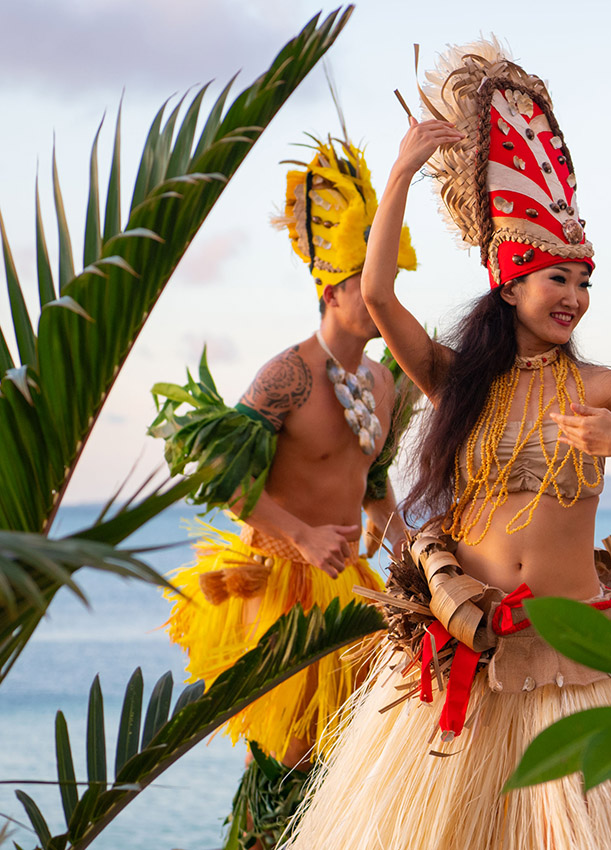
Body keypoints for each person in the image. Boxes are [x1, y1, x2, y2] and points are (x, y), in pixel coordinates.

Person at [283, 40, 611, 850]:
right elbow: (377, 295)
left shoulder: (604, 389)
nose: (576, 298)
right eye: (559, 279)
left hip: (566, 661)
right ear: (511, 283)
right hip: (467, 641)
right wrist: (404, 172)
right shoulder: (457, 380)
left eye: (585, 282)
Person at [152, 132, 418, 776]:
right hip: (278, 585)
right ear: (332, 293)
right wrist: (299, 535)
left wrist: (406, 542)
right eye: (366, 283)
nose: (381, 294)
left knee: (349, 759)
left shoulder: (381, 381)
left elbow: (368, 471)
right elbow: (222, 477)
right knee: (288, 758)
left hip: (347, 583)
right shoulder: (286, 376)